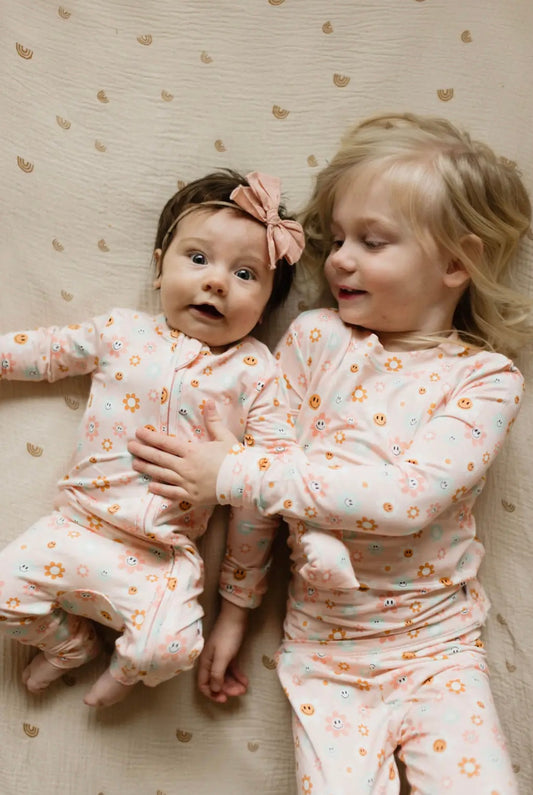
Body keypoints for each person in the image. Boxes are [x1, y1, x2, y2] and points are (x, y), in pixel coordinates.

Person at [128, 113, 531, 793]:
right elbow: (268, 483)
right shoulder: (315, 339)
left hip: (437, 653)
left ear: (457, 262)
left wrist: (232, 471)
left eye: (372, 242)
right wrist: (235, 611)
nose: (339, 258)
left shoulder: (483, 379)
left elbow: (406, 498)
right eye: (338, 237)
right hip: (324, 658)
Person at [0, 169, 304, 708]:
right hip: (75, 526)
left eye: (244, 273)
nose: (216, 282)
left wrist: (236, 610)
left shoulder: (256, 372)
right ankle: (70, 646)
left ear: (266, 305)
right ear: (159, 267)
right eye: (197, 258)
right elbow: (47, 353)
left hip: (164, 556)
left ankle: (125, 669)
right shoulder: (121, 331)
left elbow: (264, 496)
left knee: (171, 647)